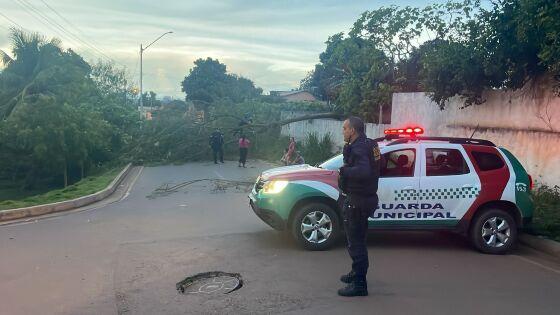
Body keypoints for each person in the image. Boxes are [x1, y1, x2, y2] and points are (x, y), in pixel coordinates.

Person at [337, 116, 381, 297]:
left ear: (352, 130)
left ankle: (360, 285)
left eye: (345, 129)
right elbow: (378, 165)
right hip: (366, 198)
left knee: (356, 244)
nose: (343, 131)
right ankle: (356, 273)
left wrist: (344, 170)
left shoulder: (360, 147)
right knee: (359, 240)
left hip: (357, 201)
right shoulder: (371, 144)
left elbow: (363, 171)